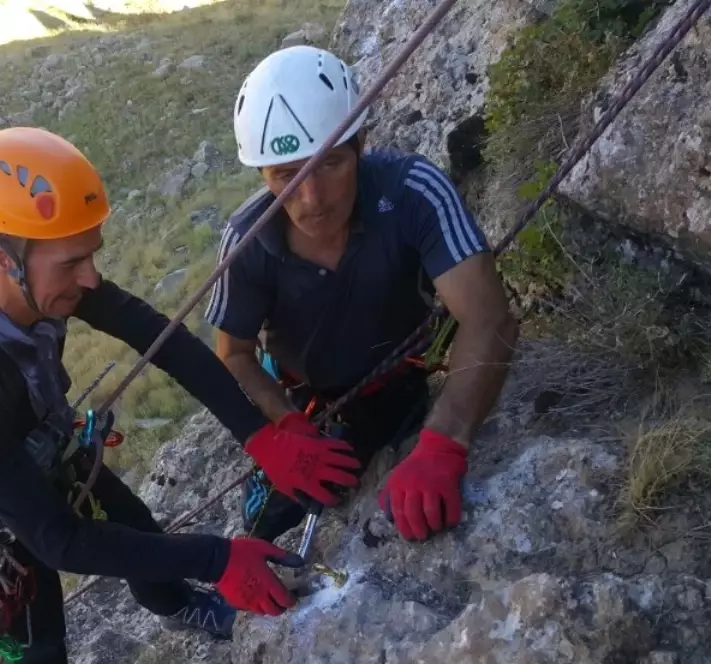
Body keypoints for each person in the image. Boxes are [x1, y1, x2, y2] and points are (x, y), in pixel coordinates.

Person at [0, 126, 363, 664]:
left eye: (91, 256)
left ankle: (178, 606)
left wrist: (259, 434)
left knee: (138, 529)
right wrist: (220, 558)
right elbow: (61, 542)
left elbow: (161, 339)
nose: (90, 279)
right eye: (71, 263)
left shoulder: (32, 281)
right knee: (41, 652)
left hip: (46, 446)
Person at [206, 45, 519, 545]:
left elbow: (490, 320)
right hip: (306, 399)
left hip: (401, 377)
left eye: (330, 164)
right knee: (274, 522)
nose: (312, 199)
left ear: (361, 143)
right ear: (262, 176)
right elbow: (234, 355)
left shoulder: (414, 193)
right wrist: (285, 424)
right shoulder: (247, 242)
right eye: (287, 175)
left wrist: (444, 443)